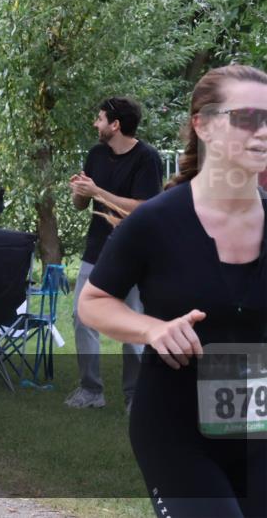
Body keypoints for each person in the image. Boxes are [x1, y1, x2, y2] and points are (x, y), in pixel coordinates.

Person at [79, 65, 267, 518]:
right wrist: (152, 329)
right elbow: (92, 302)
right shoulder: (157, 222)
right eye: (247, 117)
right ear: (202, 125)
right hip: (176, 431)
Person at [66, 96, 164, 411]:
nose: (96, 124)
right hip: (96, 250)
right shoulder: (96, 154)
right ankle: (90, 390)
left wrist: (97, 192)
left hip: (136, 253)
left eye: (99, 118)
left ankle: (135, 395)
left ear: (115, 124)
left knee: (132, 324)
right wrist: (80, 192)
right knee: (83, 317)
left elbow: (142, 209)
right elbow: (82, 205)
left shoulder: (147, 158)